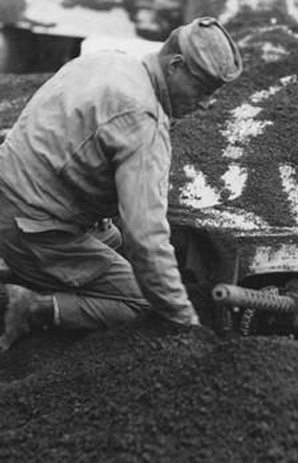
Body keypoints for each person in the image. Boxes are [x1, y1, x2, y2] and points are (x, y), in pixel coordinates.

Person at [0, 16, 243, 350]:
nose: (204, 103)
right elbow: (146, 237)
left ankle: (36, 272)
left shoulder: (109, 62)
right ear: (175, 65)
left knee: (126, 253)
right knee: (146, 305)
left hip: (18, 187)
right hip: (32, 227)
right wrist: (183, 319)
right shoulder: (142, 122)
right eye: (201, 89)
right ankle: (31, 306)